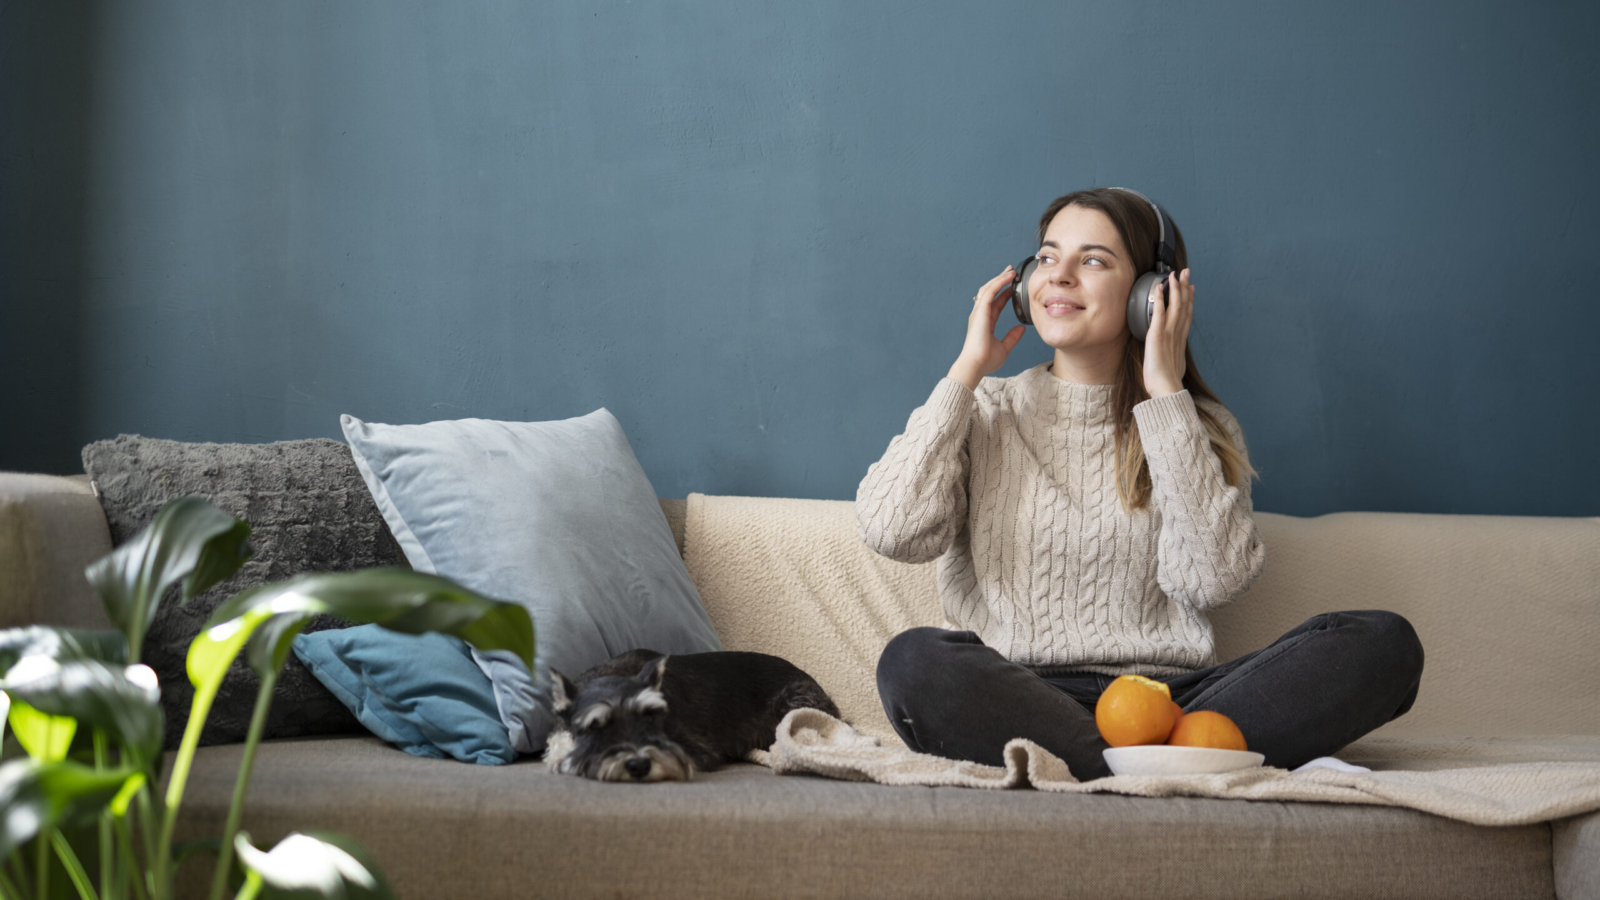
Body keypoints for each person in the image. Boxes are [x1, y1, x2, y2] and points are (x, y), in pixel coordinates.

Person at [857, 187, 1424, 780]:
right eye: (1047, 258)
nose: (1060, 277)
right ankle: (1164, 771)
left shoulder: (1193, 423)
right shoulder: (985, 411)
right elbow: (892, 530)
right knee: (913, 663)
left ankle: (1105, 769)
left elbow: (1211, 580)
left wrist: (1165, 394)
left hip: (1172, 704)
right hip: (1021, 697)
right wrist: (966, 370)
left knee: (1383, 644)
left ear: (1152, 295)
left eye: (1094, 260)